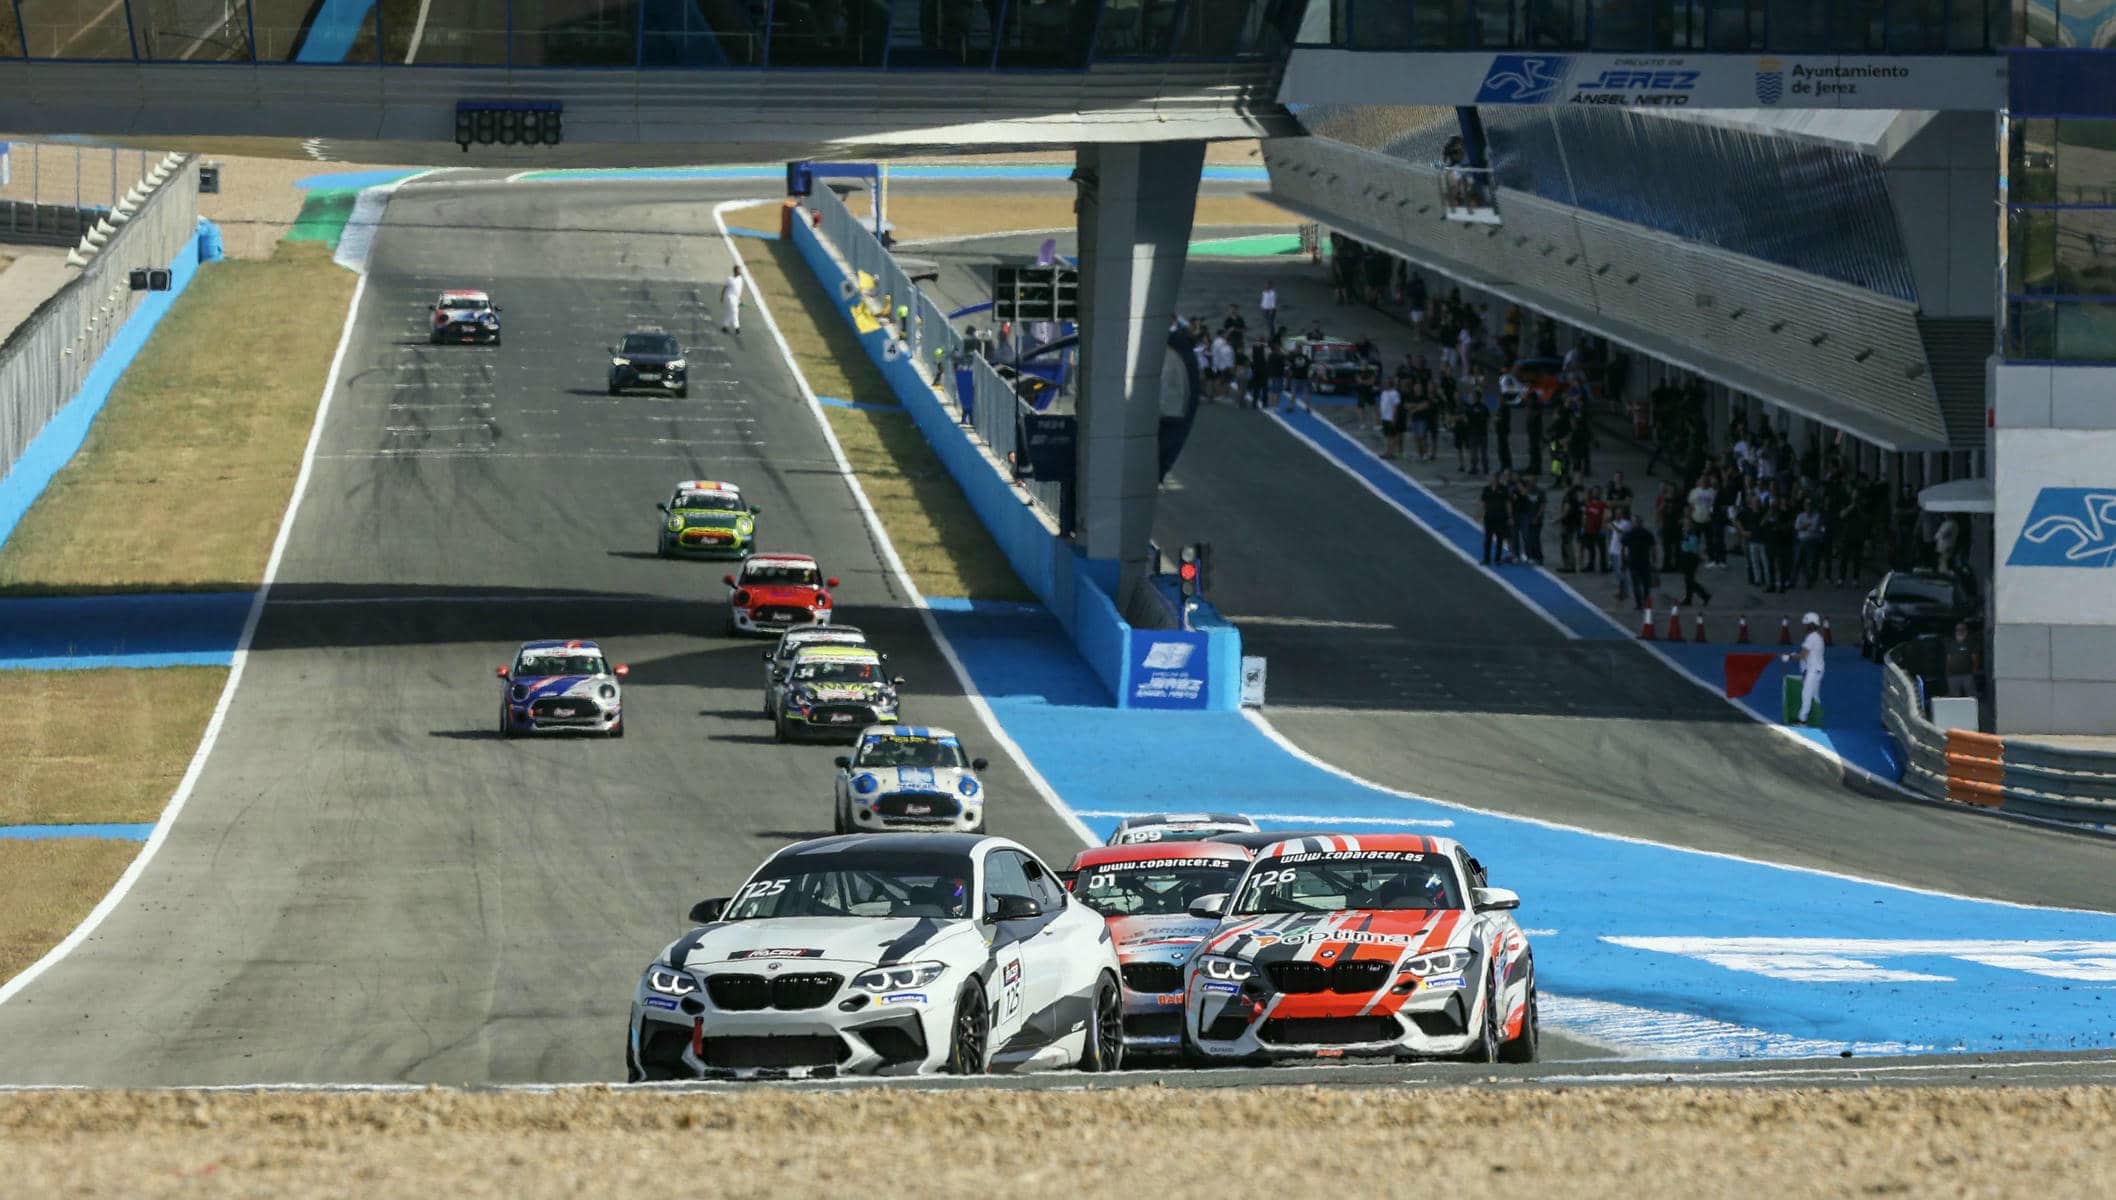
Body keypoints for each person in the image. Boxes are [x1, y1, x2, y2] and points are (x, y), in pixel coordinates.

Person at [1781, 612, 1827, 725]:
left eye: (1806, 624)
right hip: (1816, 669)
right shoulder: (1816, 637)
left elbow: (1803, 655)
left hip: (1814, 670)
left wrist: (1789, 657)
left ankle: (1802, 720)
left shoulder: (1812, 638)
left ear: (1811, 624)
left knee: (1806, 694)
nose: (1804, 626)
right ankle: (1817, 718)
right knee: (1815, 696)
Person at [1677, 515, 1712, 607]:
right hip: (1686, 556)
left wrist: (1685, 541)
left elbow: (1692, 547)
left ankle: (1704, 595)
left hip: (1691, 557)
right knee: (1688, 579)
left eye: (1686, 523)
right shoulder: (1686, 532)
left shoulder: (1692, 533)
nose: (1684, 525)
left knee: (1689, 580)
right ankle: (1689, 599)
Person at [1481, 472, 1514, 566]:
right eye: (1491, 478)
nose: (1493, 480)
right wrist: (1480, 514)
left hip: (1501, 517)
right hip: (1489, 517)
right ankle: (1486, 559)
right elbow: (1483, 502)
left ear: (1498, 479)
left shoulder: (1503, 489)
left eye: (1495, 478)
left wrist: (1510, 516)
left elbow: (1508, 503)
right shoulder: (1486, 489)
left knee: (1500, 539)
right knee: (1487, 539)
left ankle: (1497, 559)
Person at [1945, 622, 1980, 698]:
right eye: (1957, 630)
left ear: (1966, 631)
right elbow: (1948, 659)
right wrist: (1947, 673)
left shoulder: (1970, 643)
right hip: (1953, 676)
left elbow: (1975, 659)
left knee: (1971, 697)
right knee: (1954, 698)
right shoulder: (1951, 643)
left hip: (1967, 675)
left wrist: (1974, 671)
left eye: (1962, 629)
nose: (1959, 631)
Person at [1377, 381, 1403, 458]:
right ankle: (1389, 451)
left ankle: (1390, 452)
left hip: (1390, 417)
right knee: (1388, 436)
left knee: (1391, 436)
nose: (1384, 384)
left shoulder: (1394, 393)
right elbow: (1382, 405)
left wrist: (1394, 418)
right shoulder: (1384, 393)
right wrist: (1380, 416)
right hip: (1384, 417)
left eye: (1386, 383)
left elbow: (1396, 406)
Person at [721, 266, 746, 333]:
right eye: (739, 270)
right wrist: (722, 297)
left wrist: (739, 300)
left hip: (735, 299)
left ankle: (725, 326)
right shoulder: (730, 279)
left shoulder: (740, 279)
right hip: (730, 298)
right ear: (735, 271)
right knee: (735, 312)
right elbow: (724, 288)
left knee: (729, 312)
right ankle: (737, 328)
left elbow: (739, 290)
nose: (740, 272)